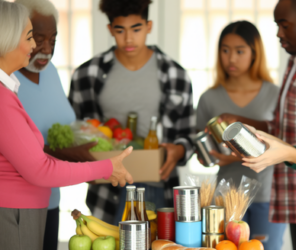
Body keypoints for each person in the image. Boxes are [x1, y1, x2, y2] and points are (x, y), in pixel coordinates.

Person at [0, 2, 133, 250]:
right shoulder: (2, 99)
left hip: (31, 209)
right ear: (5, 40)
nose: (35, 46)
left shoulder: (11, 89)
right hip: (14, 213)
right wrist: (104, 167)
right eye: (30, 37)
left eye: (53, 38)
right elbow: (39, 169)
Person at [218, 0, 296, 249]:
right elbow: (286, 128)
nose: (279, 33)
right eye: (277, 25)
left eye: (284, 25)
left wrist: (267, 154)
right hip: (295, 195)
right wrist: (243, 123)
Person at [69, 0, 195, 224]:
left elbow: (189, 136)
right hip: (107, 189)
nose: (128, 39)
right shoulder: (87, 75)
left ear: (149, 26)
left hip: (158, 186)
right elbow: (74, 134)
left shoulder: (176, 75)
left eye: (136, 29)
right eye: (120, 30)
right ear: (110, 30)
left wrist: (177, 150)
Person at [13, 1, 98, 250]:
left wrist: (87, 151)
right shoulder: (6, 80)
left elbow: (62, 127)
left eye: (54, 39)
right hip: (16, 207)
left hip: (50, 199)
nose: (47, 50)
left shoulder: (49, 72)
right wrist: (74, 160)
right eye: (38, 39)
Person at [196, 21, 284, 250]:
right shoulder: (209, 98)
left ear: (254, 53)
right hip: (225, 196)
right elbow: (200, 146)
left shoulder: (276, 94)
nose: (231, 58)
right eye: (225, 50)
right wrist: (208, 156)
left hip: (268, 195)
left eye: (239, 51)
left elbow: (285, 144)